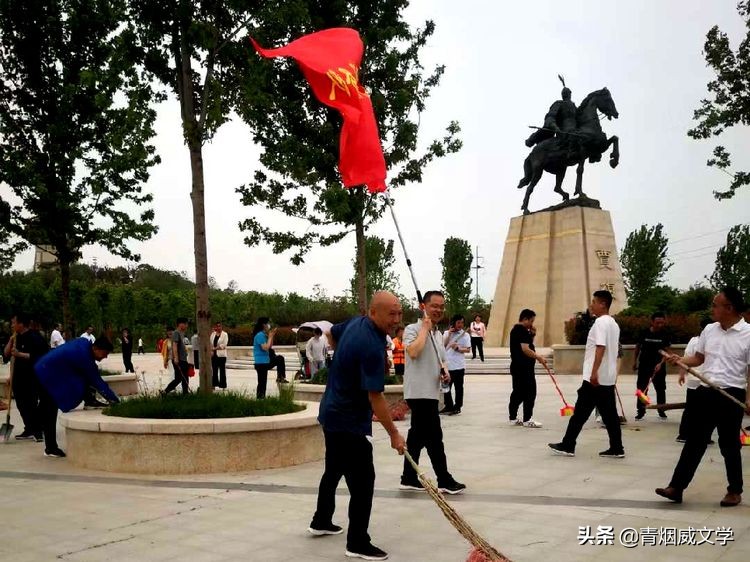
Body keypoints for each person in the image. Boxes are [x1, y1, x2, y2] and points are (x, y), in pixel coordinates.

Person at [309, 291, 406, 561]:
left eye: (399, 313)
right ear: (373, 312)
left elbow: (331, 333)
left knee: (334, 470)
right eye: (391, 314)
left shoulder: (355, 323)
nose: (396, 319)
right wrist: (395, 434)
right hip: (348, 422)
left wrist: (342, 360)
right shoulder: (372, 347)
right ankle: (357, 542)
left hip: (330, 413)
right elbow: (375, 396)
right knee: (364, 483)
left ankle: (321, 520)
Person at [656, 287, 750, 508]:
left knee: (729, 445)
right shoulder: (709, 330)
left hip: (731, 393)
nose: (712, 309)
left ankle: (734, 491)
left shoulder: (748, 334)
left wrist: (749, 399)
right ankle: (676, 487)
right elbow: (698, 358)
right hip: (705, 391)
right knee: (694, 442)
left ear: (730, 308)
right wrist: (680, 359)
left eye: (715, 305)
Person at [400, 290, 465, 494]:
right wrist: (424, 330)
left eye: (441, 306)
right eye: (434, 305)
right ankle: (444, 479)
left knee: (417, 437)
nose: (438, 310)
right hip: (418, 392)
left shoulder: (438, 334)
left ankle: (409, 477)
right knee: (434, 437)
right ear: (424, 307)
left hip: (431, 391)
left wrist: (445, 372)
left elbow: (442, 359)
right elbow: (413, 352)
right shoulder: (412, 329)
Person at [548, 290, 624, 458]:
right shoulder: (613, 324)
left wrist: (594, 372)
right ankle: (617, 447)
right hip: (607, 378)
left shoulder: (601, 323)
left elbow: (600, 347)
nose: (592, 305)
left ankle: (568, 445)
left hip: (595, 379)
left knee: (580, 414)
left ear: (603, 304)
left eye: (594, 302)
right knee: (610, 415)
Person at [35, 336, 120, 458]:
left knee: (45, 408)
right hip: (45, 374)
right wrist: (116, 402)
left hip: (45, 368)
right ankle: (50, 448)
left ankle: (89, 400)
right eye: (104, 353)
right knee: (49, 411)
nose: (105, 357)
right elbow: (97, 382)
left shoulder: (84, 344)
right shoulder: (84, 357)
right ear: (96, 348)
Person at [3, 313, 47, 441]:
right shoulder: (16, 338)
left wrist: (19, 354)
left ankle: (38, 431)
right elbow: (8, 356)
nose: (12, 325)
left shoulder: (35, 337)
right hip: (18, 378)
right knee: (21, 405)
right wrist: (11, 341)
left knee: (31, 404)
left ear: (21, 324)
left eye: (13, 323)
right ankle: (29, 429)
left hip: (31, 377)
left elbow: (39, 357)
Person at [675, 319, 714, 444]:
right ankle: (687, 434)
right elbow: (685, 359)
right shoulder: (700, 341)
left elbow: (685, 358)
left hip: (705, 380)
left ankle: (689, 434)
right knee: (699, 409)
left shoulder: (696, 340)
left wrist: (682, 374)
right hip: (700, 380)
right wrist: (682, 374)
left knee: (693, 409)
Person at [508, 309, 548, 428]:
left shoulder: (515, 329)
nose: (532, 323)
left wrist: (532, 335)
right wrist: (539, 357)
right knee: (530, 392)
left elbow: (527, 345)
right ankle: (527, 419)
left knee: (518, 392)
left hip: (517, 366)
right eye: (531, 321)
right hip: (524, 367)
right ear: (525, 319)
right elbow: (525, 349)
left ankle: (513, 417)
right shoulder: (522, 331)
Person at [633, 312, 671, 421]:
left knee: (660, 389)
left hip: (658, 367)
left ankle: (661, 410)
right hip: (644, 365)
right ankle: (641, 410)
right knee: (642, 389)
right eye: (657, 323)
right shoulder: (644, 333)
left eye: (662, 323)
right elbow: (637, 347)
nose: (660, 325)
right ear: (652, 322)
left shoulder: (665, 334)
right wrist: (634, 361)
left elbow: (667, 352)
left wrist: (661, 363)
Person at [441, 314, 471, 415]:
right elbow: (442, 346)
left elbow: (468, 349)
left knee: (459, 388)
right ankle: (448, 405)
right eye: (458, 322)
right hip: (447, 366)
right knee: (446, 386)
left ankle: (457, 406)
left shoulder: (465, 335)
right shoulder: (446, 333)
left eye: (462, 322)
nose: (460, 325)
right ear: (453, 323)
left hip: (459, 366)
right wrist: (449, 335)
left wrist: (458, 348)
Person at [252, 317, 287, 398]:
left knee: (280, 359)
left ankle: (280, 377)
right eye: (268, 323)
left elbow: (270, 346)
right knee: (262, 382)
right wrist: (270, 337)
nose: (269, 325)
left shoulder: (264, 334)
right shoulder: (259, 335)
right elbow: (265, 348)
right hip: (260, 362)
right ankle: (260, 398)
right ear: (264, 325)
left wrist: (272, 336)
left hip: (266, 361)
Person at [163, 318, 190, 394]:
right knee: (181, 378)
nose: (186, 326)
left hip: (183, 359)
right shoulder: (176, 333)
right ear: (181, 324)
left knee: (182, 378)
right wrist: (176, 358)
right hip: (179, 359)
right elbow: (174, 345)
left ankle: (185, 393)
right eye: (185, 324)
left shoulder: (181, 333)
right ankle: (166, 391)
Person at [211, 321, 229, 389]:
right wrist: (211, 350)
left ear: (222, 327)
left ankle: (223, 385)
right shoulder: (213, 334)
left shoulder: (225, 334)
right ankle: (214, 384)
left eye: (220, 326)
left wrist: (215, 348)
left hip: (221, 356)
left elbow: (224, 345)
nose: (218, 327)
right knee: (214, 370)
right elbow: (210, 343)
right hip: (214, 355)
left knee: (222, 371)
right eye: (217, 326)